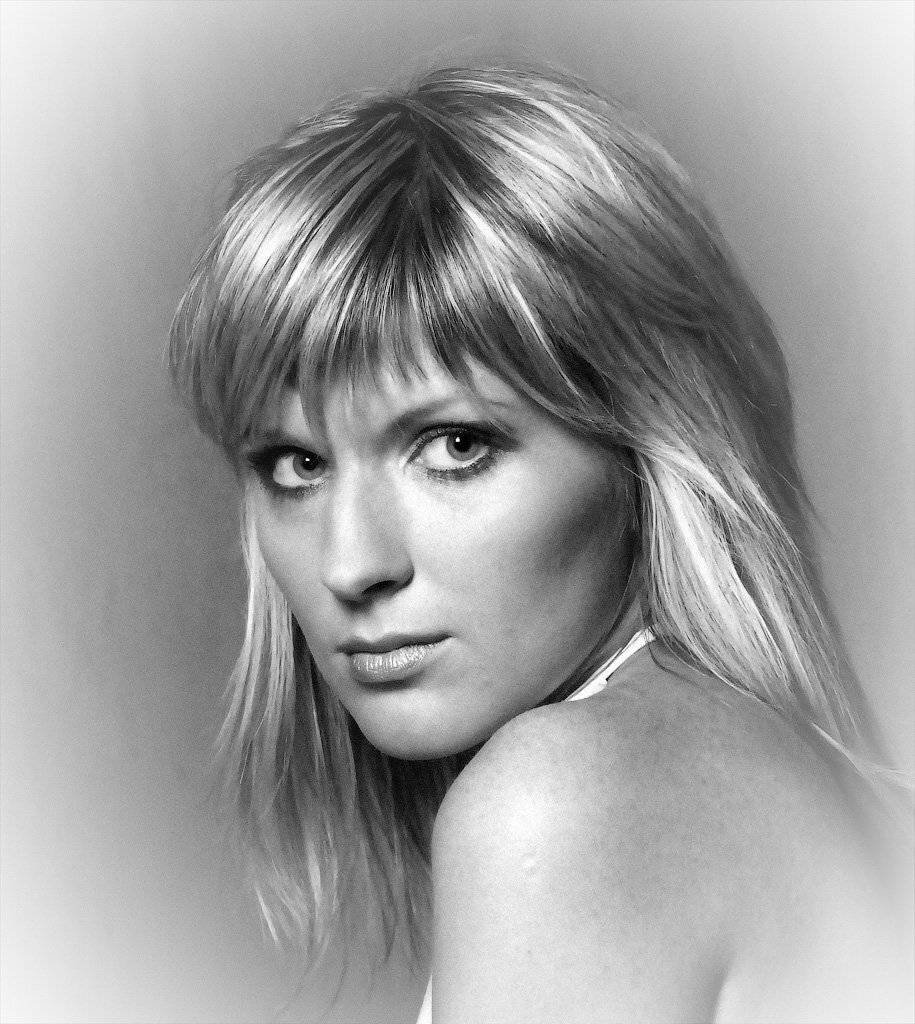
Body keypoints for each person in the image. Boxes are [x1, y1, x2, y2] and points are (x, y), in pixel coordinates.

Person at [169, 64, 911, 1023]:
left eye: (455, 446)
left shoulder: (563, 803)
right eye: (297, 464)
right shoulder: (783, 779)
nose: (352, 565)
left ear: (642, 445)